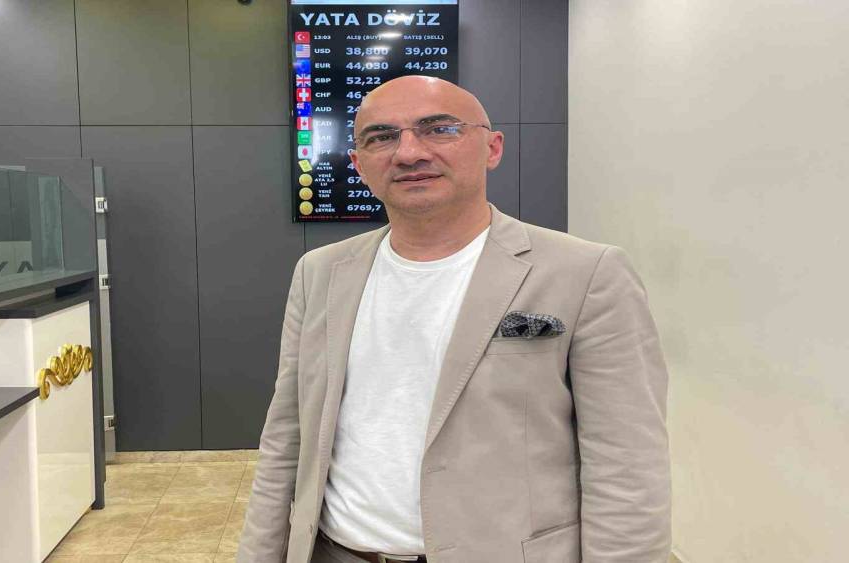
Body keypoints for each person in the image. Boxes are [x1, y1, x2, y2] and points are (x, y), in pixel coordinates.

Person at [237, 76, 671, 563]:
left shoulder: (585, 273)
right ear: (358, 164)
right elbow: (286, 439)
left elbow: (626, 466)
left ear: (492, 148)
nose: (409, 153)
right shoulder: (319, 273)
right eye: (381, 137)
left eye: (439, 129)